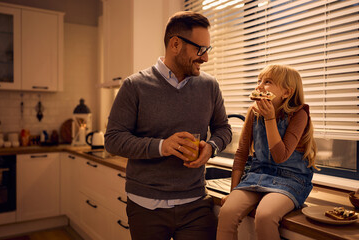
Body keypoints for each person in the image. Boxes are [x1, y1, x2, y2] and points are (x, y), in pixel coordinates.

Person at [105, 11, 232, 240]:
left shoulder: (210, 86)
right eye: (200, 50)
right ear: (175, 44)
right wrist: (162, 146)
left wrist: (211, 147)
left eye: (207, 50)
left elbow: (224, 129)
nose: (205, 58)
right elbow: (113, 140)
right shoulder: (135, 86)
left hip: (195, 205)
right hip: (145, 207)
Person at [216, 64, 317, 240]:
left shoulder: (299, 115)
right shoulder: (253, 112)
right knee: (227, 211)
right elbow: (241, 153)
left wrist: (270, 118)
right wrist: (234, 190)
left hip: (291, 179)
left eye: (267, 82)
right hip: (258, 174)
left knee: (264, 216)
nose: (259, 86)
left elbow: (280, 156)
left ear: (286, 93)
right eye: (259, 81)